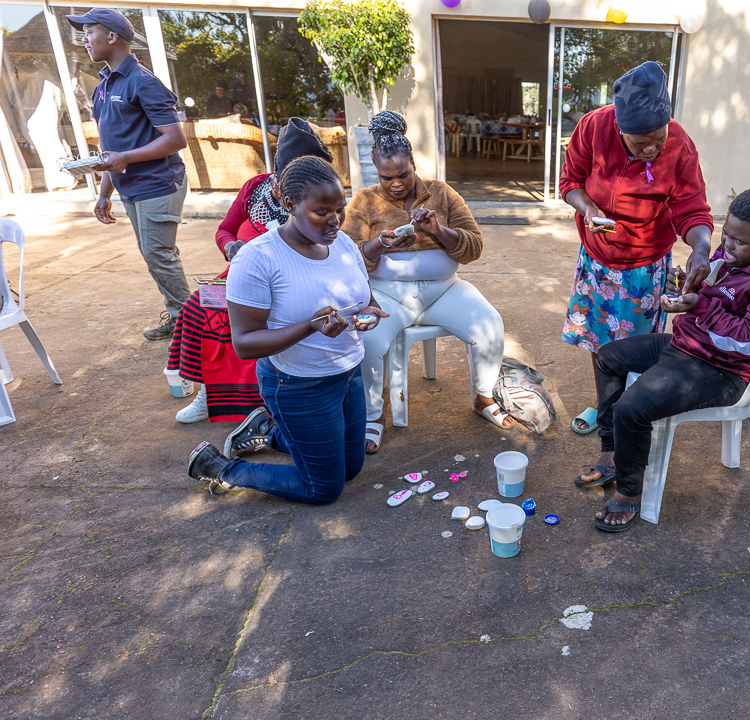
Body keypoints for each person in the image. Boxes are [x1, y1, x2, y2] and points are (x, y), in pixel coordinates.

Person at [578, 189, 750, 533]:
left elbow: (747, 341)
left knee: (631, 407)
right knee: (609, 357)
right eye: (725, 235)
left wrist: (698, 305)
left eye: (737, 242)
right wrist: (689, 285)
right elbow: (713, 288)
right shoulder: (736, 250)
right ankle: (611, 451)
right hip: (686, 345)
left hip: (723, 371)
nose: (726, 247)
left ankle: (628, 492)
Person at [186, 155, 386, 504]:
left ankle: (268, 431)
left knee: (350, 469)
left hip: (348, 373)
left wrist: (368, 313)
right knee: (324, 488)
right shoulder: (258, 258)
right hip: (297, 383)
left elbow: (365, 297)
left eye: (338, 209)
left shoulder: (341, 244)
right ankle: (219, 467)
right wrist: (310, 327)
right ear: (289, 204)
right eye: (321, 212)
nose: (334, 221)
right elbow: (245, 343)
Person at [341, 111, 510, 454]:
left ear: (413, 166)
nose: (396, 183)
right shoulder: (363, 201)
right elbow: (344, 258)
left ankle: (483, 397)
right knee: (368, 340)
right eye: (386, 177)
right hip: (387, 295)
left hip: (444, 289)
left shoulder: (442, 194)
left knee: (489, 324)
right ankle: (373, 416)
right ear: (377, 172)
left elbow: (474, 246)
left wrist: (440, 231)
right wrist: (378, 244)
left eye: (403, 174)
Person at [560, 61, 714, 435]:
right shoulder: (593, 127)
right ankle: (606, 409)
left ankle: (630, 416)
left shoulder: (679, 147)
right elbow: (570, 181)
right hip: (597, 260)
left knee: (638, 346)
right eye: (639, 141)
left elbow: (692, 208)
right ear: (619, 127)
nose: (651, 148)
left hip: (644, 265)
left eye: (657, 138)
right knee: (600, 340)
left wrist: (701, 247)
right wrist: (588, 209)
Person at [167, 118, 334, 423]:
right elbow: (224, 230)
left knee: (248, 319)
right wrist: (230, 248)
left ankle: (263, 403)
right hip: (238, 275)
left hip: (290, 281)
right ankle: (210, 392)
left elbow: (328, 249)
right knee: (196, 307)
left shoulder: (322, 198)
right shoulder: (255, 188)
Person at [68, 8, 190, 341]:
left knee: (159, 255)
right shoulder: (102, 88)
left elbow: (175, 139)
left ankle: (192, 327)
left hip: (159, 183)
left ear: (112, 36)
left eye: (89, 31)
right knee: (153, 256)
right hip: (129, 187)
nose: (84, 39)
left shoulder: (144, 82)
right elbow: (111, 147)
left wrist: (125, 159)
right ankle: (182, 317)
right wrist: (105, 192)